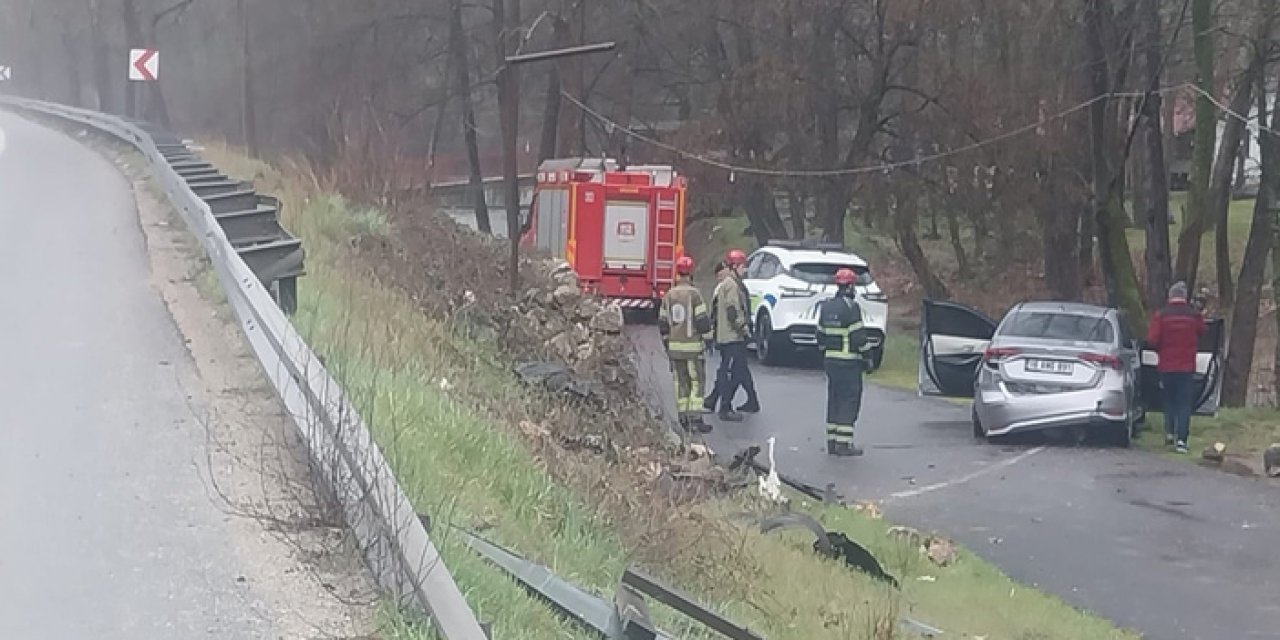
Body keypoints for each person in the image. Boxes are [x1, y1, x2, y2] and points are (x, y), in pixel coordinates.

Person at [1147, 280, 1206, 454]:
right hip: (1187, 366)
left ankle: (1169, 433)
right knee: (1184, 403)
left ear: (1170, 296)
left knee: (1169, 400)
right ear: (1184, 297)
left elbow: (1152, 339)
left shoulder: (1161, 315)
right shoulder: (1193, 315)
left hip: (1166, 365)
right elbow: (1203, 331)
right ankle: (1182, 440)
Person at [818, 268, 873, 457]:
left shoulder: (826, 307)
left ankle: (832, 442)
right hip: (849, 363)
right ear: (850, 286)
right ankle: (844, 443)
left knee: (834, 400)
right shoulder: (852, 307)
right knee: (849, 401)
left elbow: (820, 336)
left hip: (830, 363)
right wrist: (868, 357)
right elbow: (859, 338)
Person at [658, 256, 714, 433]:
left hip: (674, 349)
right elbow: (702, 321)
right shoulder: (694, 294)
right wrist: (708, 339)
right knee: (697, 382)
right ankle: (695, 418)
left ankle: (683, 417)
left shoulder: (669, 295)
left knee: (680, 382)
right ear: (691, 273)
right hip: (692, 348)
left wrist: (667, 343)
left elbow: (662, 323)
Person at [712, 249, 759, 422]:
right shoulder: (731, 285)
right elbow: (733, 310)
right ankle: (725, 407)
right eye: (743, 266)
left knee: (736, 371)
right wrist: (744, 329)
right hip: (732, 337)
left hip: (731, 336)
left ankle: (723, 403)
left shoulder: (729, 283)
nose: (744, 270)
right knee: (730, 373)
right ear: (735, 266)